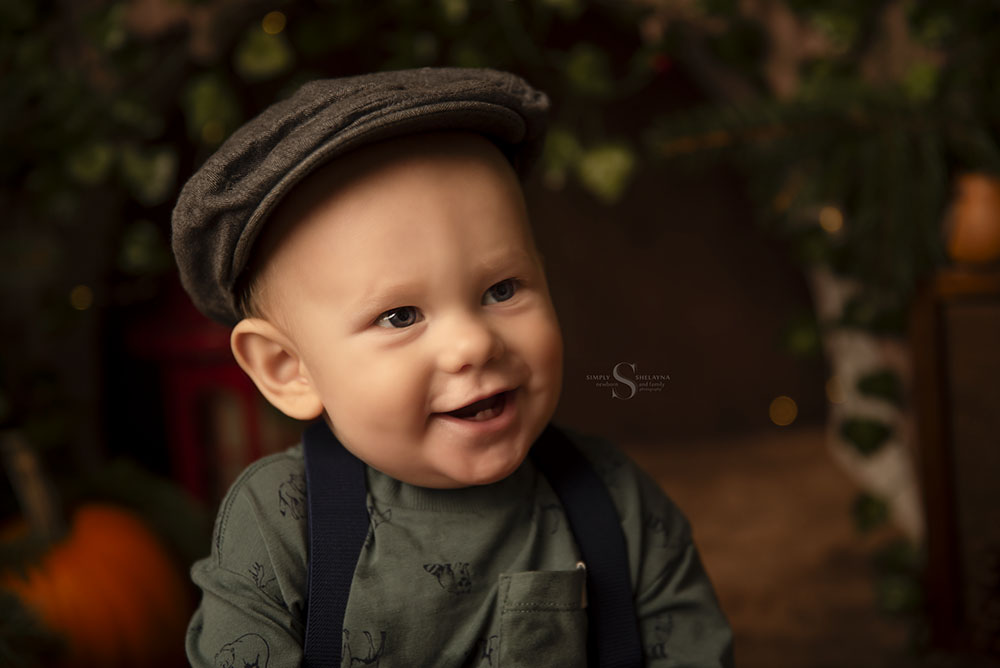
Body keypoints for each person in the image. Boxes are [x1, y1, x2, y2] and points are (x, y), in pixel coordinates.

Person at [172, 67, 733, 667]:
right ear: (288, 368)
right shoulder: (281, 522)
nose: (473, 344)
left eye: (502, 289)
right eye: (400, 316)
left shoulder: (616, 500)